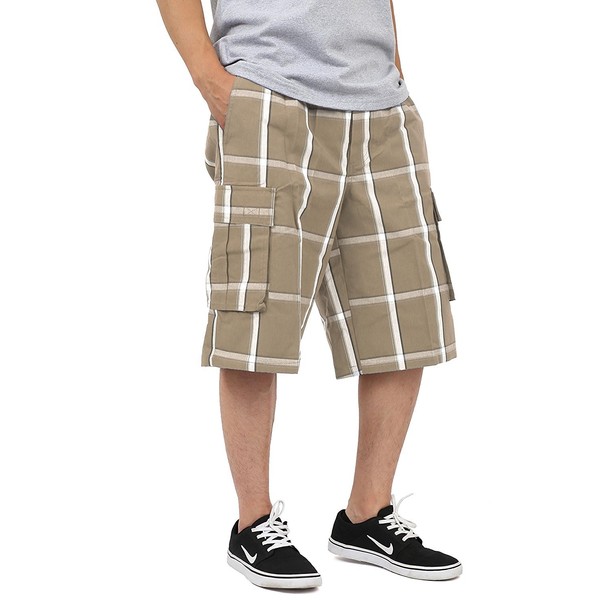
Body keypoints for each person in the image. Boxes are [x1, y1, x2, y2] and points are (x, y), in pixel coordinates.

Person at [156, 0, 461, 589]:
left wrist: (395, 73)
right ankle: (253, 524)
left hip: (381, 106)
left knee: (406, 314)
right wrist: (211, 80)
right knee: (255, 317)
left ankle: (367, 515)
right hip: (270, 94)